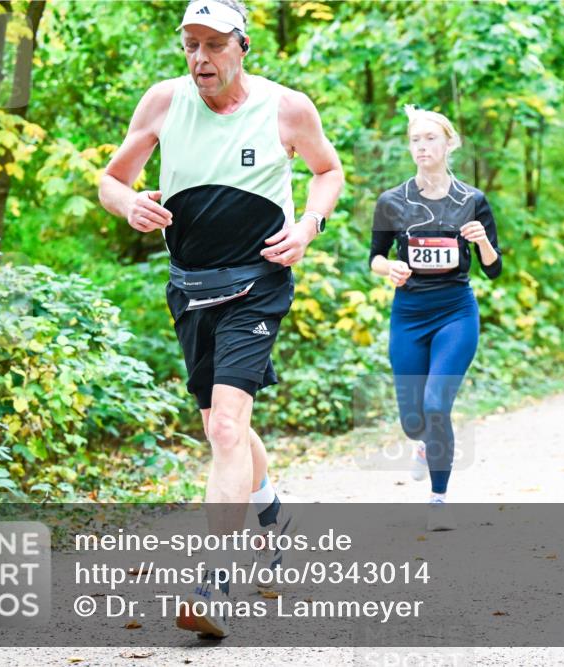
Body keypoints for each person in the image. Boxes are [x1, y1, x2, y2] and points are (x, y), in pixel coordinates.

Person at [98, 0, 343, 637]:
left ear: (242, 46)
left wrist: (308, 227)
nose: (200, 58)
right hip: (190, 287)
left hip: (259, 284)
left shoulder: (287, 108)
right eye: (190, 45)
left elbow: (328, 171)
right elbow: (113, 178)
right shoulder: (162, 102)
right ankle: (272, 518)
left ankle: (213, 580)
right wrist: (129, 205)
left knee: (229, 428)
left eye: (213, 44)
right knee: (217, 426)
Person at [370, 106, 502, 531]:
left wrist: (482, 242)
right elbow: (374, 257)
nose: (422, 146)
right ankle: (423, 446)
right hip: (408, 313)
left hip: (455, 313)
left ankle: (439, 497)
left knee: (435, 405)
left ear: (449, 143)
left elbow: (495, 269)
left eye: (430, 138)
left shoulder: (471, 200)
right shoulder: (392, 202)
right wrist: (388, 269)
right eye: (415, 140)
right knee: (413, 422)